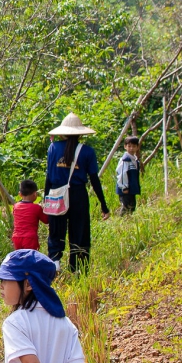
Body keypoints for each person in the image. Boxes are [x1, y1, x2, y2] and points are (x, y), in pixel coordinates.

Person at [43, 113, 110, 271]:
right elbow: (94, 179)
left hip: (56, 192)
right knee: (79, 230)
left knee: (56, 229)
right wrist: (103, 205)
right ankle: (77, 266)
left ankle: (55, 261)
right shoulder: (87, 151)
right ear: (80, 133)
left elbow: (49, 176)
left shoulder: (53, 147)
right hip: (78, 195)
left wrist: (46, 198)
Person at [11, 180, 45, 252]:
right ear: (35, 194)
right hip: (30, 238)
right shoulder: (37, 208)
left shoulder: (16, 206)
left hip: (16, 237)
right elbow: (46, 220)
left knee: (20, 258)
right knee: (30, 259)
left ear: (20, 194)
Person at [115, 136, 143, 215]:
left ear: (137, 147)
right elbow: (122, 174)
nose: (131, 148)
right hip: (125, 189)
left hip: (131, 188)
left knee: (132, 206)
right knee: (126, 206)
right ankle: (122, 223)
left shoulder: (134, 159)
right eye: (129, 146)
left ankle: (128, 222)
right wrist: (124, 187)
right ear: (125, 147)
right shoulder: (125, 160)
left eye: (134, 146)